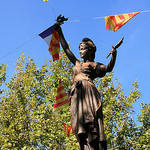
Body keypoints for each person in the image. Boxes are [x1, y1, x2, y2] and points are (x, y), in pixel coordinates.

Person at [54, 17, 118, 150]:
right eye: (79, 49)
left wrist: (113, 55)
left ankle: (92, 144)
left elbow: (108, 69)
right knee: (77, 125)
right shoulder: (77, 63)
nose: (80, 51)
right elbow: (66, 49)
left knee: (90, 122)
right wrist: (60, 31)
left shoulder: (94, 65)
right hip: (76, 95)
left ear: (90, 50)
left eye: (82, 48)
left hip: (88, 93)